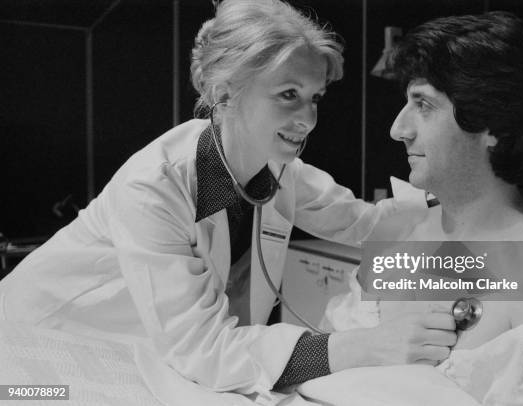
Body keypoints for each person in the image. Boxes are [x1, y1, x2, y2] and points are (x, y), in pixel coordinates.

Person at [0, 0, 457, 395]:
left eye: (315, 97)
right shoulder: (154, 187)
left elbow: (364, 224)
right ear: (224, 92)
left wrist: (463, 207)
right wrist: (368, 344)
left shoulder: (275, 168)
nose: (309, 119)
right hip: (40, 347)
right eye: (288, 95)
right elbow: (204, 350)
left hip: (142, 355)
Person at [326, 11, 523, 350]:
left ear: (495, 127)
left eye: (424, 105)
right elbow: (330, 348)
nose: (397, 130)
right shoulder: (398, 234)